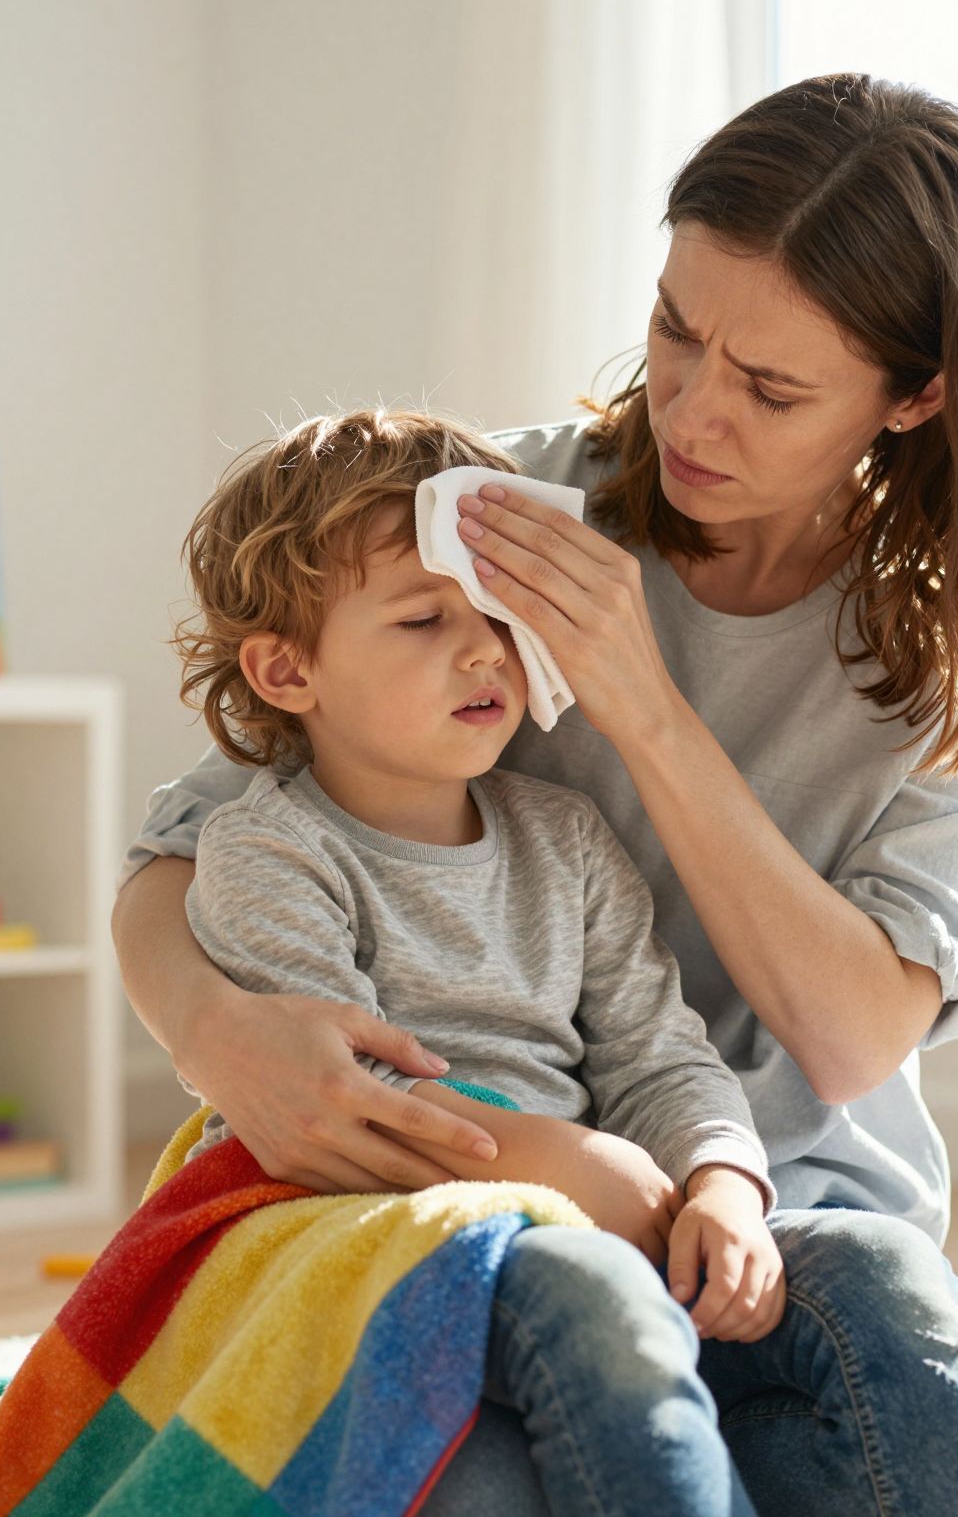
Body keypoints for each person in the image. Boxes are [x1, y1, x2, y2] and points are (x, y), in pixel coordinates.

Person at [114, 73, 958, 1514]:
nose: (692, 413)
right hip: (471, 1213)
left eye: (771, 388)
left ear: (918, 393)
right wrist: (216, 1033)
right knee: (486, 1481)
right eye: (676, 331)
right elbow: (192, 841)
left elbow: (852, 1037)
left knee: (956, 1445)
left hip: (777, 1205)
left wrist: (637, 696)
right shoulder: (494, 517)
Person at [170, 407, 782, 1514]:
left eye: (497, 614)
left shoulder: (569, 839)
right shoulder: (264, 850)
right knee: (588, 1307)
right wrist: (560, 1165)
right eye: (420, 619)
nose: (481, 648)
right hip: (367, 1230)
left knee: (855, 1295)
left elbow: (658, 1055)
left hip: (573, 1222)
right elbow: (347, 1111)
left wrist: (724, 1184)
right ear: (285, 668)